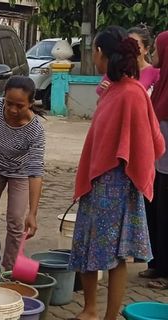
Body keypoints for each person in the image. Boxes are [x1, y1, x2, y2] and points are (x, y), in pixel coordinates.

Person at [69, 26, 165, 320]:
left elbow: (150, 143)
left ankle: (109, 315)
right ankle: (89, 309)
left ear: (100, 53)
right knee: (86, 248)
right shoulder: (113, 89)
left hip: (118, 183)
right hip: (97, 182)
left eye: (94, 51)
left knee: (114, 256)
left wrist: (122, 172)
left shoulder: (133, 93)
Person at [0, 75, 45, 271]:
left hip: (19, 173)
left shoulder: (35, 130)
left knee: (15, 221)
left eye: (19, 106)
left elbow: (35, 172)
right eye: (8, 103)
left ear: (30, 104)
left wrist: (33, 213)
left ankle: (10, 269)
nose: (12, 110)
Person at [146, 30, 168, 290]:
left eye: (157, 49)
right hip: (157, 168)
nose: (153, 54)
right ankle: (157, 264)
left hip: (165, 169)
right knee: (156, 213)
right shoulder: (160, 88)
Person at [96, 25, 160, 96]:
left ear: (146, 50)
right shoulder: (117, 70)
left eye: (136, 46)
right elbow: (100, 92)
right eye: (127, 45)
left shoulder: (156, 73)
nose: (131, 50)